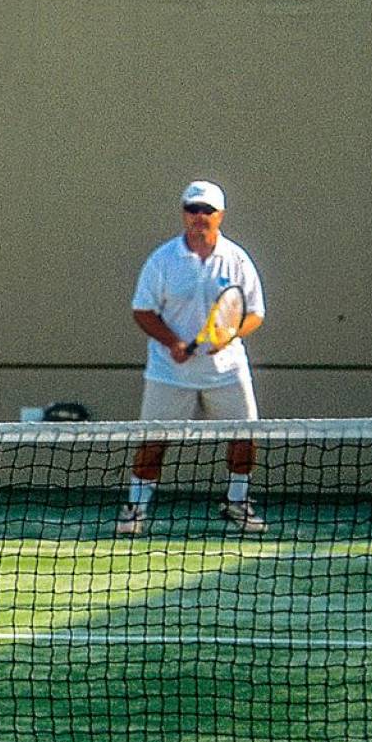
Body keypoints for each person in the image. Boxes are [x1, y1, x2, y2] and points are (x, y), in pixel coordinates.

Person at [116, 180, 269, 536]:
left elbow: (254, 313)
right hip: (169, 372)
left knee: (245, 436)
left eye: (207, 210)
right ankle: (135, 508)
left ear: (220, 216)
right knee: (153, 441)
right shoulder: (162, 260)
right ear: (184, 213)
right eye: (192, 209)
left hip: (227, 370)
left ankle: (237, 502)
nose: (199, 216)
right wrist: (172, 343)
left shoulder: (237, 260)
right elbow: (143, 310)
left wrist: (229, 336)